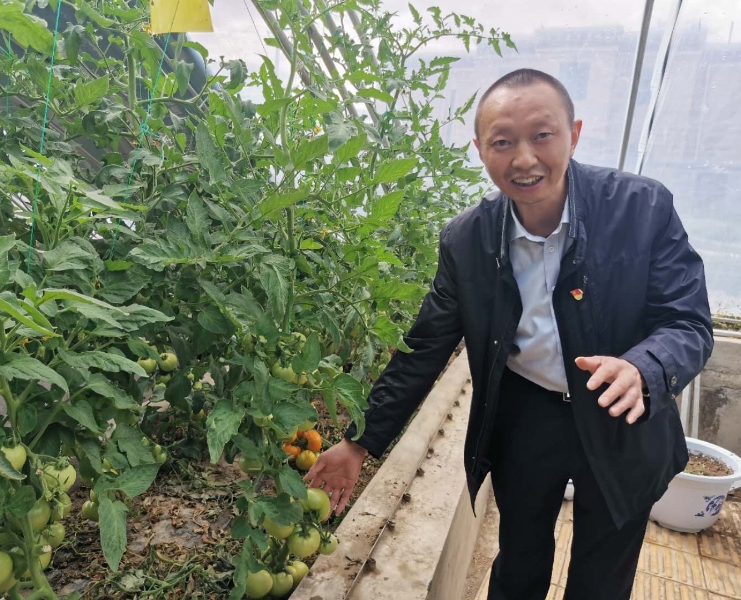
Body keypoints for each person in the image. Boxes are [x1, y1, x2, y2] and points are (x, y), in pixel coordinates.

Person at [302, 68, 713, 599]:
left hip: (621, 410)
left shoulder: (641, 209)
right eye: (502, 142)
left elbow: (687, 321)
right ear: (480, 149)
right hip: (527, 412)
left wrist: (644, 367)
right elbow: (424, 346)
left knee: (604, 570)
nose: (524, 159)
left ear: (574, 134)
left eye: (542, 135)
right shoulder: (467, 240)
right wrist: (360, 441)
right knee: (519, 557)